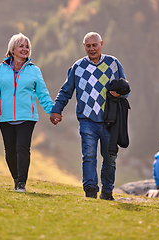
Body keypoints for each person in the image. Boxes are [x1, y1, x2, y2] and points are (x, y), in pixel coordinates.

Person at [50, 32, 127, 200]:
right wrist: (57, 109)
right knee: (89, 156)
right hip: (87, 120)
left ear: (101, 44)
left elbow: (125, 88)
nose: (92, 49)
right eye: (88, 46)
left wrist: (118, 94)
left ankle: (107, 191)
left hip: (110, 121)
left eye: (94, 45)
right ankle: (90, 191)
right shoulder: (78, 67)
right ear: (84, 46)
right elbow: (66, 91)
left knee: (110, 159)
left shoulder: (113, 63)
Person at [0, 33, 54, 193]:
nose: (25, 49)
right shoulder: (0, 69)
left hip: (27, 117)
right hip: (5, 116)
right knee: (10, 151)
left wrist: (52, 111)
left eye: (27, 47)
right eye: (21, 46)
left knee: (22, 148)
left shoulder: (34, 70)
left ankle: (21, 183)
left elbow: (42, 93)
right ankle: (16, 178)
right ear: (12, 49)